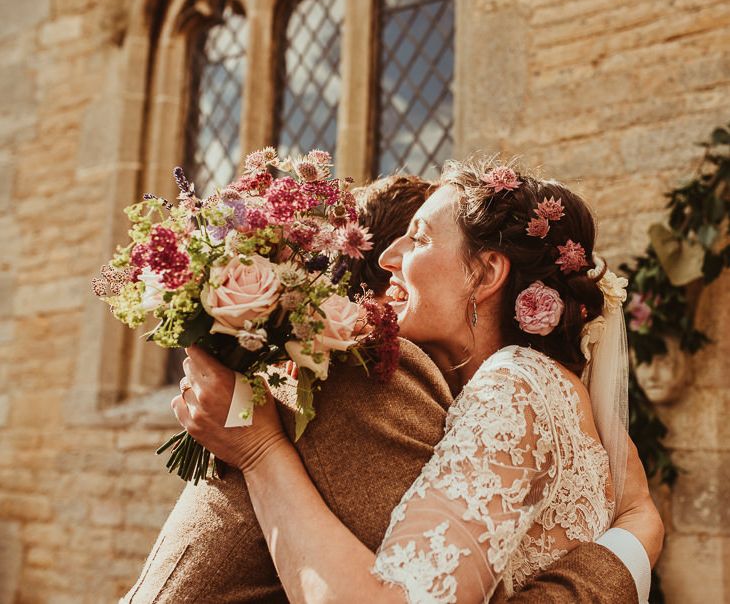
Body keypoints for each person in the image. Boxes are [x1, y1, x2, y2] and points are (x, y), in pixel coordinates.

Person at [173, 161, 664, 602]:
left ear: (486, 271)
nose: (388, 256)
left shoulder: (515, 384)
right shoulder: (540, 389)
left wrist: (260, 452)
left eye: (420, 237)